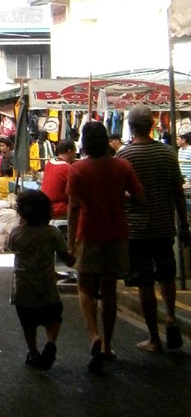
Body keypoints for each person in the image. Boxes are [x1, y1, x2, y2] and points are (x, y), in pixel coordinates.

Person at [66, 120, 145, 372]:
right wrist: (120, 196)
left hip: (88, 233)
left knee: (85, 287)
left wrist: (70, 243)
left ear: (85, 143)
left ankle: (93, 335)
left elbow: (73, 208)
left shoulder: (77, 169)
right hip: (117, 233)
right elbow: (140, 198)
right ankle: (108, 345)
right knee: (109, 289)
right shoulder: (122, 166)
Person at [116, 104, 191, 353]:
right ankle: (170, 316)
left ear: (130, 126)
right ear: (152, 126)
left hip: (137, 230)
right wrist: (183, 223)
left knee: (145, 281)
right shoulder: (168, 153)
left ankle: (154, 338)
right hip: (164, 225)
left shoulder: (125, 155)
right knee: (167, 275)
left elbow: (119, 192)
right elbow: (178, 192)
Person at [8, 189, 76, 370]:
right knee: (53, 315)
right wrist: (74, 258)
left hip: (23, 287)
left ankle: (33, 352)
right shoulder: (52, 233)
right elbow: (66, 257)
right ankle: (51, 341)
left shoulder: (16, 234)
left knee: (28, 322)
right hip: (47, 285)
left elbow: (12, 249)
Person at [40, 139, 77, 218]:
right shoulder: (67, 168)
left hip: (45, 206)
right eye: (75, 151)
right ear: (69, 151)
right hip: (59, 210)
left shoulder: (49, 163)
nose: (75, 155)